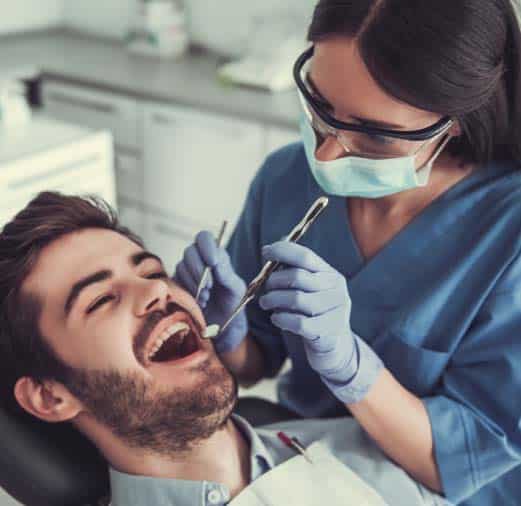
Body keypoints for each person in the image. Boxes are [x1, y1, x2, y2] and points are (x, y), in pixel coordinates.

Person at [174, 1, 521, 504]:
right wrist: (227, 331)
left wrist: (353, 368)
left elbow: (462, 462)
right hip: (306, 463)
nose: (325, 154)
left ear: (459, 121)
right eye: (319, 107)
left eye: (374, 134)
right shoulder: (285, 177)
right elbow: (255, 366)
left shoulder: (506, 233)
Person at [0, 191, 445, 506]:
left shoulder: (365, 450)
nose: (157, 293)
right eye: (99, 300)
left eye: (153, 271)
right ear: (51, 396)